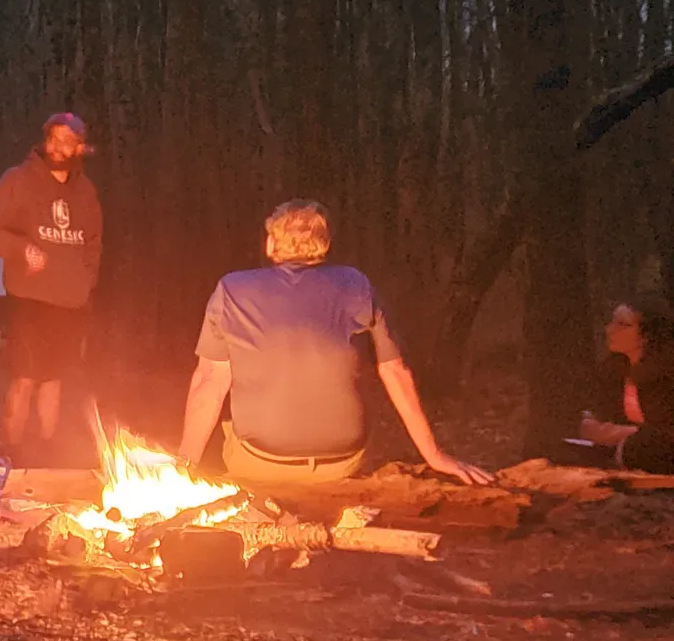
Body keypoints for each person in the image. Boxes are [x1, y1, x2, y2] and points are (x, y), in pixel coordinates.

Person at [178, 198, 490, 488]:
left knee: (230, 437)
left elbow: (210, 382)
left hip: (261, 463)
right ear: (324, 243)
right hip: (343, 462)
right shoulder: (356, 284)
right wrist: (434, 455)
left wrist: (186, 462)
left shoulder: (232, 289)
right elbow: (396, 371)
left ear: (272, 243)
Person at [0, 112, 102, 463]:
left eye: (67, 141)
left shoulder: (86, 192)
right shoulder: (17, 180)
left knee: (54, 379)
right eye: (53, 139)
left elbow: (93, 244)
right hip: (28, 298)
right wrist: (20, 248)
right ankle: (12, 453)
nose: (58, 147)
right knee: (24, 377)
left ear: (81, 147)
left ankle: (46, 456)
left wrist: (85, 284)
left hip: (69, 304)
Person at [576, 302, 674, 473]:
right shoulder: (615, 371)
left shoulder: (666, 374)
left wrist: (617, 433)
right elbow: (601, 418)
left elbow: (661, 432)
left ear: (646, 335)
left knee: (641, 448)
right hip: (624, 444)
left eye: (622, 325)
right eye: (612, 322)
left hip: (656, 447)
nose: (610, 330)